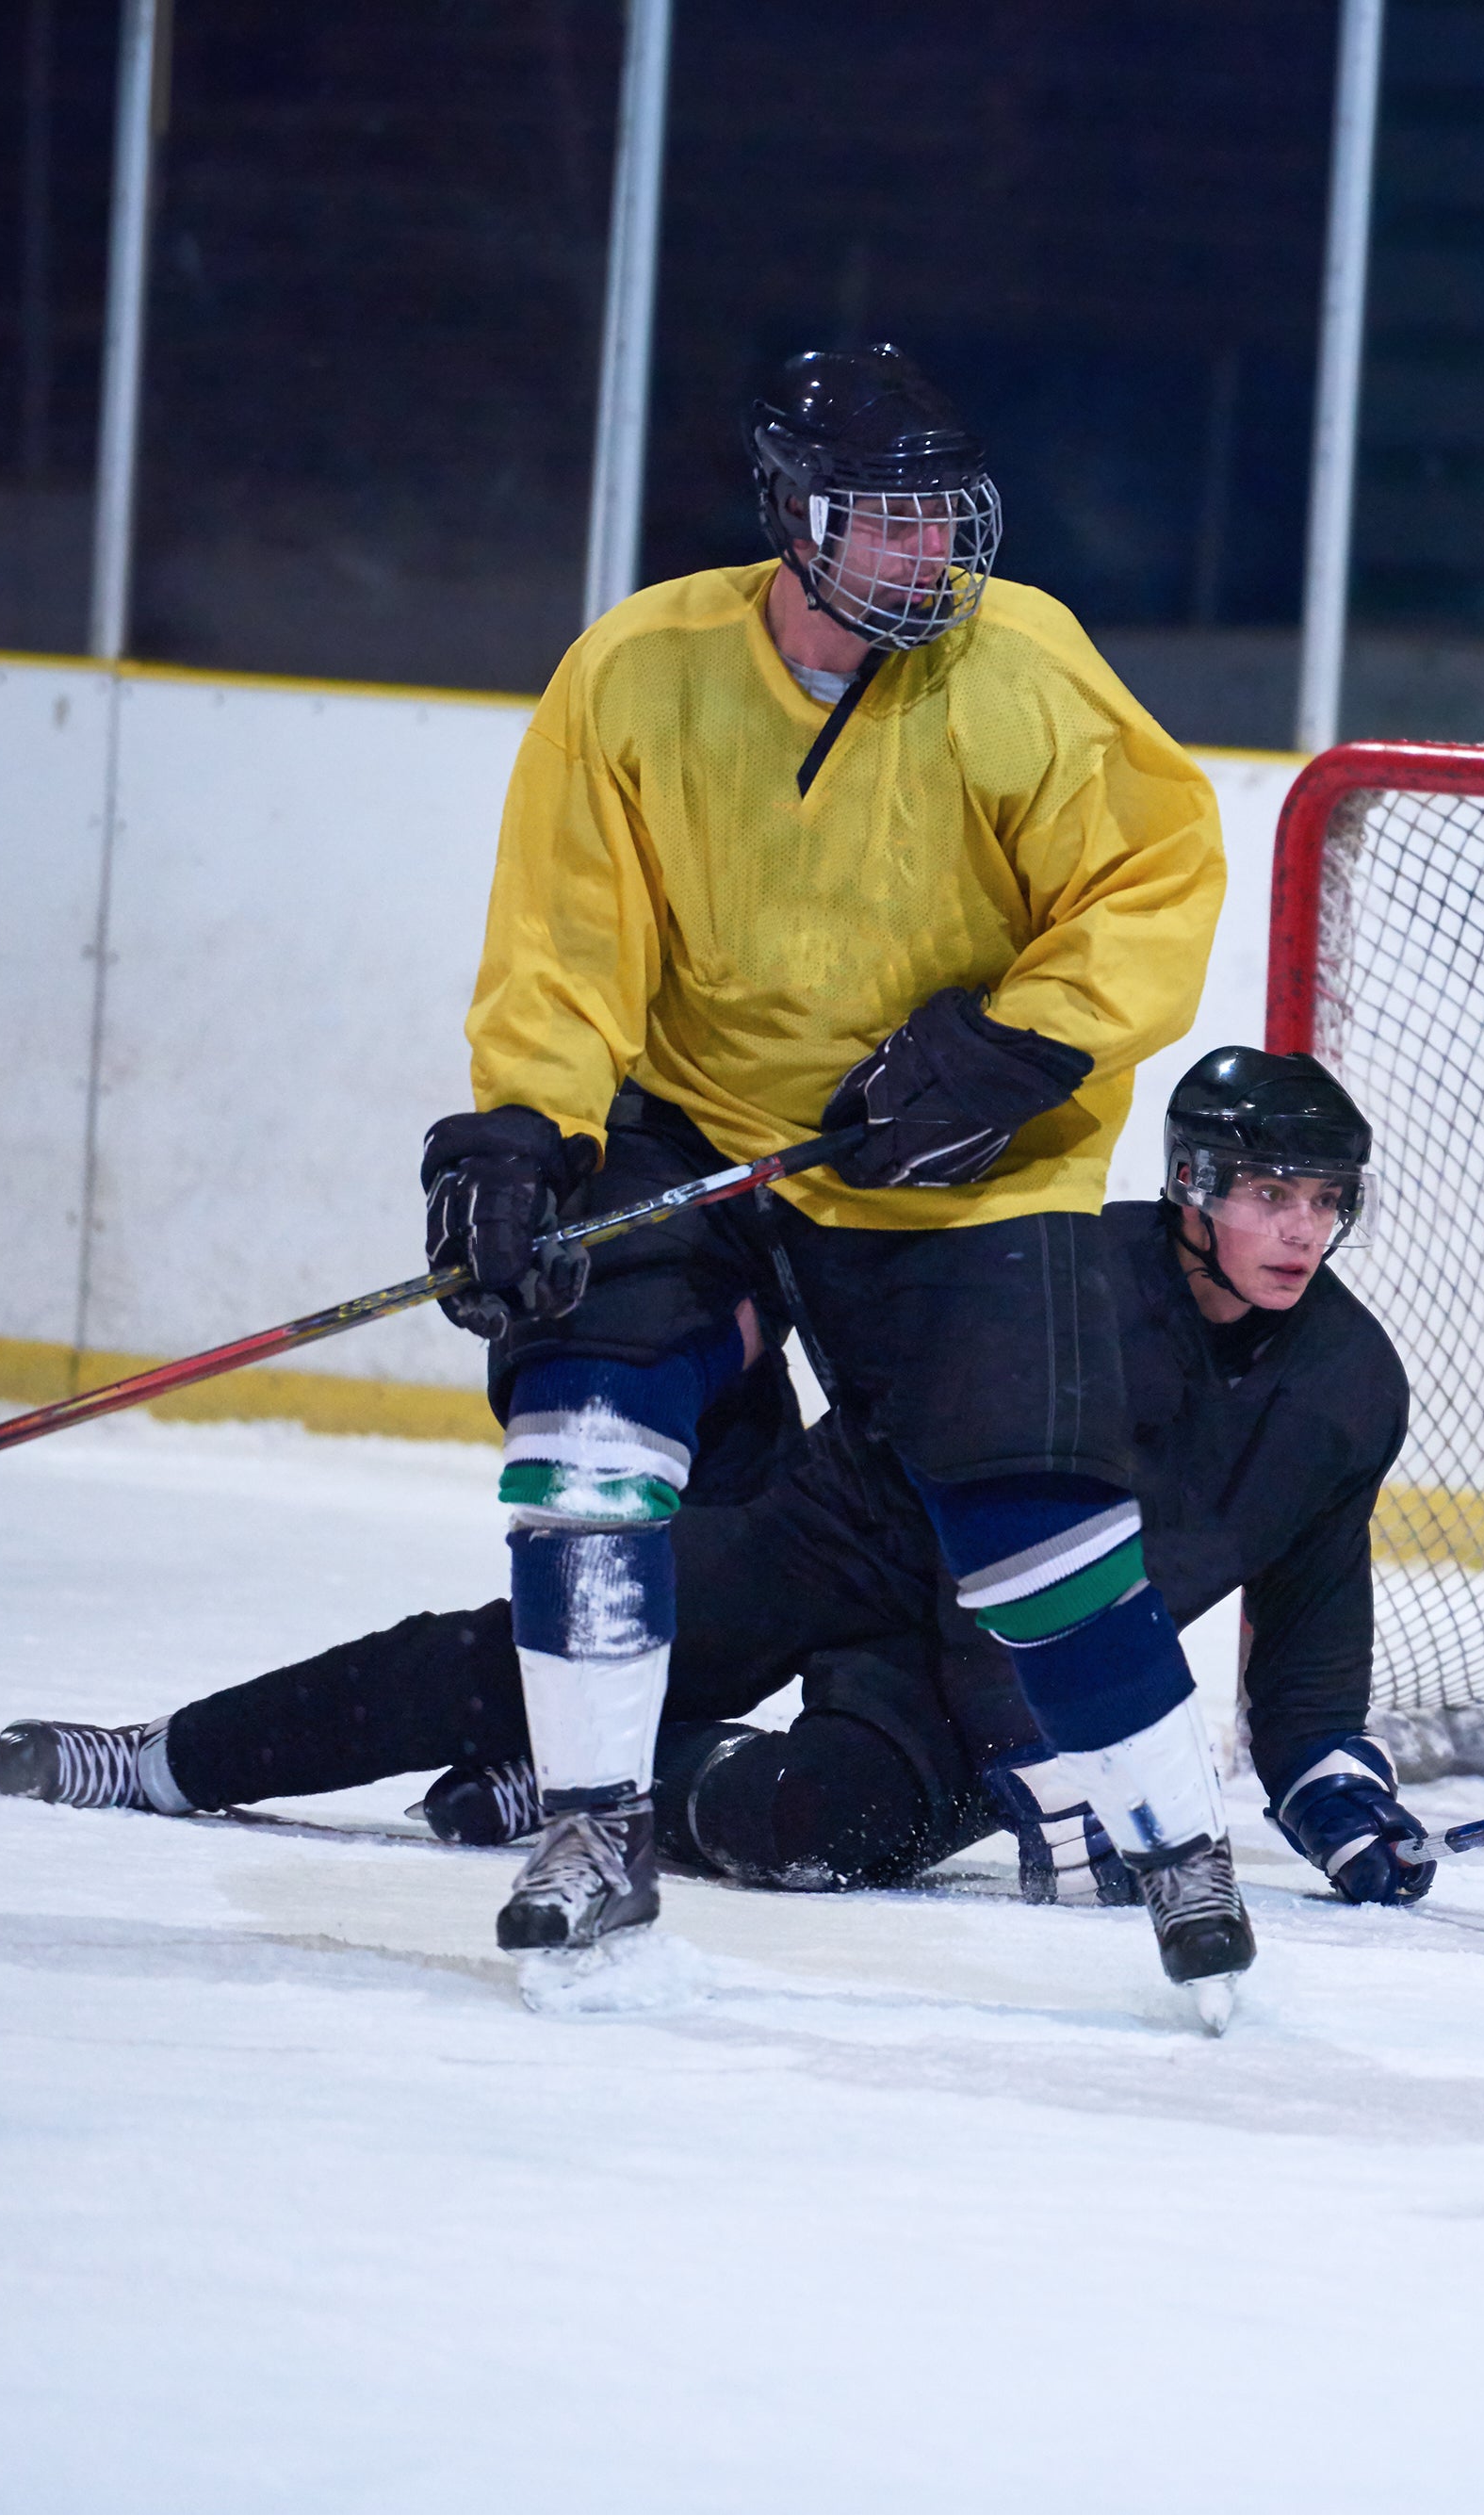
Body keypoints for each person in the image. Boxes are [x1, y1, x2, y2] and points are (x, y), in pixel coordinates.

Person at [397, 343, 1230, 1990]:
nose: (931, 552)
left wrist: (1020, 1039)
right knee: (581, 1436)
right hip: (697, 1114)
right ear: (792, 517)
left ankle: (1178, 1844)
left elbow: (1158, 875)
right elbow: (566, 939)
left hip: (966, 1142)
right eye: (887, 520)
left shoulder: (1026, 665)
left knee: (1031, 1513)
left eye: (946, 516)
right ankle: (595, 1826)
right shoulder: (639, 670)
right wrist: (525, 1130)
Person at [0, 1053, 1434, 1918]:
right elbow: (988, 1538)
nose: (1299, 1231)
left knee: (815, 1833)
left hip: (1013, 1664)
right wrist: (1066, 1769)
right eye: (1269, 1194)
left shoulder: (1349, 1388)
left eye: (1324, 1202)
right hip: (850, 1531)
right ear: (1192, 1185)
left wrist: (1339, 1803)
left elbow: (1310, 1628)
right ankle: (169, 1757)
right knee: (539, 1653)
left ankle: (616, 1778)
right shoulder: (1072, 1279)